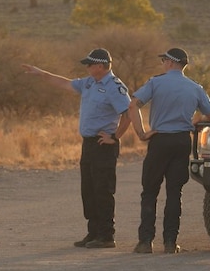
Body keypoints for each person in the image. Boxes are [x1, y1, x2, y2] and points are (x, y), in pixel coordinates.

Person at [22, 48, 131, 249]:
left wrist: (115, 137)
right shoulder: (89, 83)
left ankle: (107, 235)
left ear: (100, 66)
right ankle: (93, 232)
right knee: (88, 189)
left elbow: (128, 113)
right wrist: (42, 74)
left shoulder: (115, 87)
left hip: (103, 144)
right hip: (88, 143)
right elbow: (64, 83)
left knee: (103, 189)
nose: (87, 67)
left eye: (89, 64)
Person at [127, 47, 210, 254]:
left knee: (150, 191)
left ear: (169, 62)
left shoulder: (156, 82)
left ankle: (145, 242)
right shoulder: (195, 88)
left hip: (159, 140)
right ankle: (170, 242)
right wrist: (197, 121)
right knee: (174, 193)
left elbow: (133, 106)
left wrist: (141, 133)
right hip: (181, 141)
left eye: (163, 60)